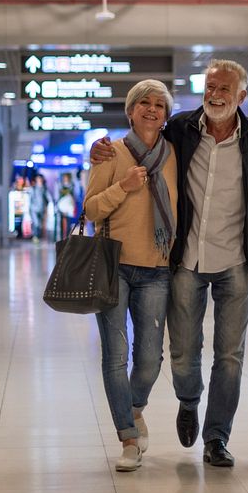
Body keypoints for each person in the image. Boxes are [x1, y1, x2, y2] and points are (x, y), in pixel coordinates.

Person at [92, 60, 248, 467]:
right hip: (186, 259)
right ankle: (189, 401)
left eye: (225, 89)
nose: (215, 94)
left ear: (240, 97)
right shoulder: (181, 128)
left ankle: (216, 437)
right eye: (210, 86)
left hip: (236, 259)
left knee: (230, 356)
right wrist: (104, 146)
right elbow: (142, 135)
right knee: (184, 353)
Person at [84, 80, 178, 472]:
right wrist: (122, 186)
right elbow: (91, 210)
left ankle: (133, 407)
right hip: (114, 266)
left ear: (166, 115)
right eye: (144, 103)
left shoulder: (175, 154)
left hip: (157, 268)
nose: (152, 109)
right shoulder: (110, 153)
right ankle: (127, 436)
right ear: (131, 110)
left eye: (159, 104)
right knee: (115, 356)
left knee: (150, 360)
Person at [28, 174, 50, 242]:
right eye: (38, 179)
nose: (39, 181)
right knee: (36, 222)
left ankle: (38, 235)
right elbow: (29, 199)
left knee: (39, 224)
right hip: (34, 209)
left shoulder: (44, 189)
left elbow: (48, 198)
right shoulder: (33, 188)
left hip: (42, 209)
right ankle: (35, 236)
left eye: (40, 179)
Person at [56, 172, 77, 239]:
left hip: (69, 208)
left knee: (68, 223)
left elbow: (74, 196)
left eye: (67, 177)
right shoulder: (60, 186)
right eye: (65, 177)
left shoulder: (72, 186)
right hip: (61, 207)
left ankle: (67, 237)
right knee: (61, 223)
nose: (66, 179)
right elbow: (57, 197)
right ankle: (62, 237)